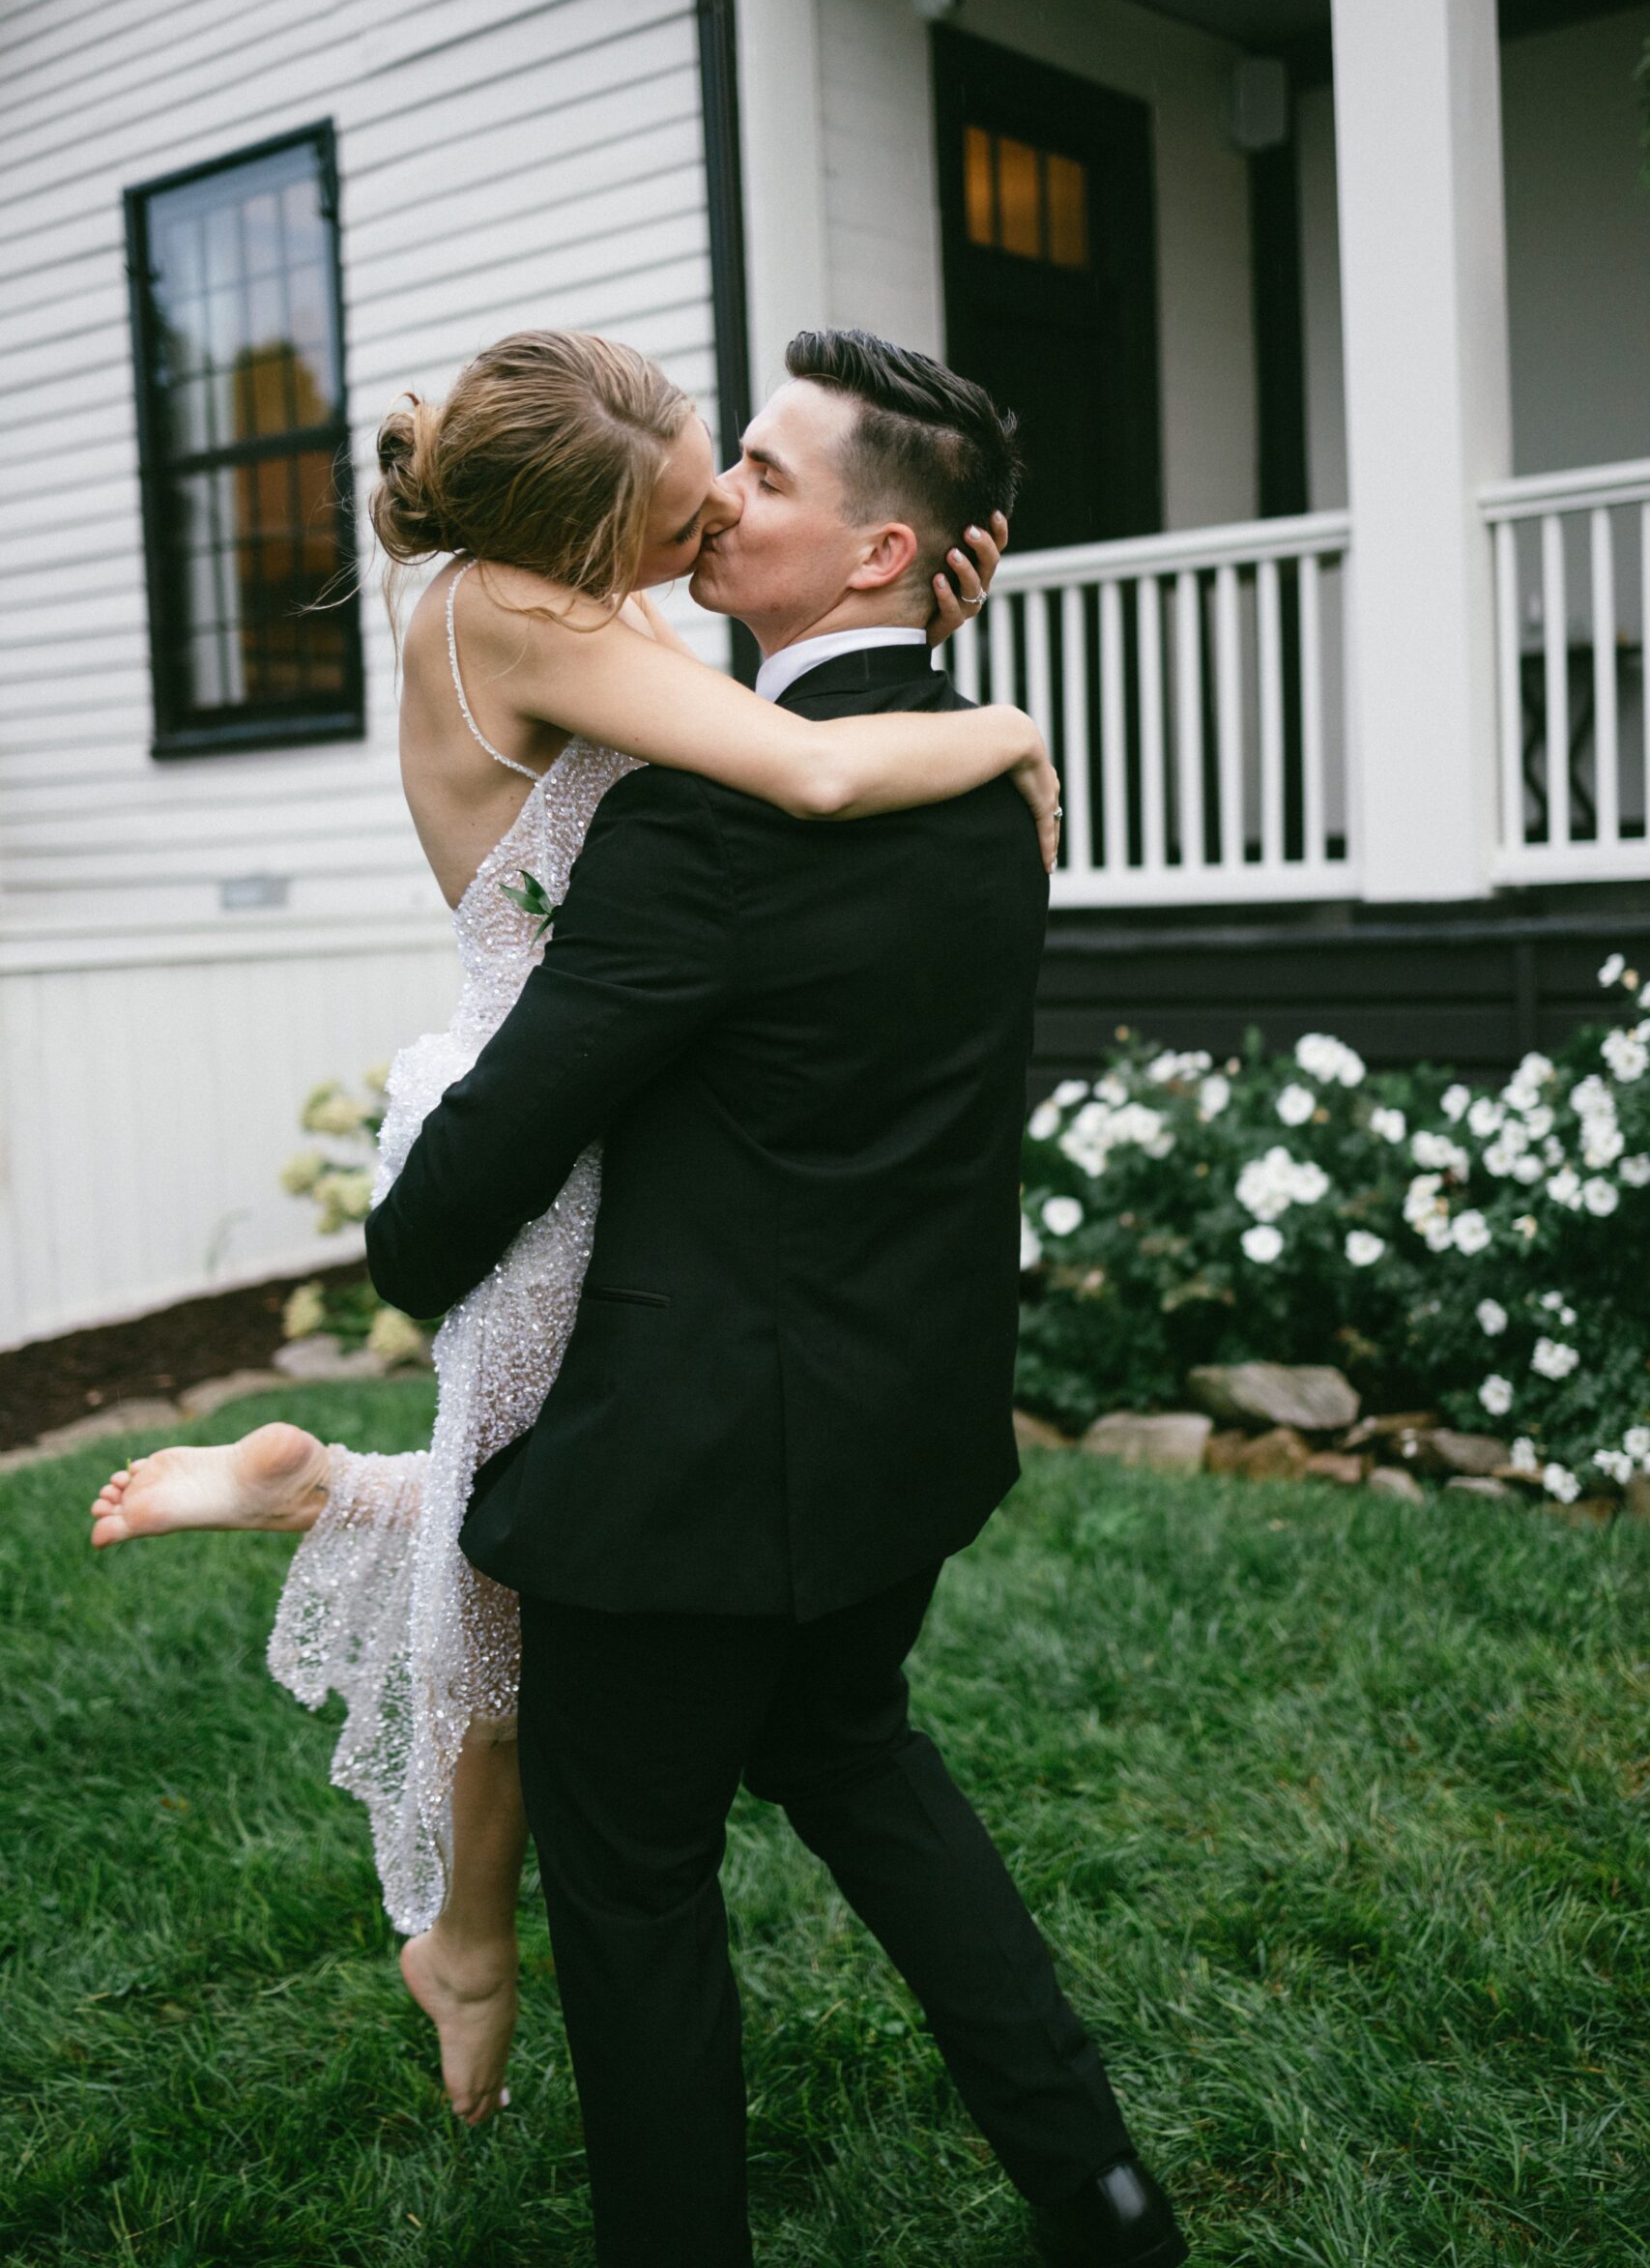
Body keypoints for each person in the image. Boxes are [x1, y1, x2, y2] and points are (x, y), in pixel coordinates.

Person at [87, 329, 1047, 2128]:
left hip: (604, 1120)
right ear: (605, 527)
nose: (718, 523)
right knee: (527, 1523)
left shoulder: (598, 625)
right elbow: (815, 774)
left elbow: (783, 731)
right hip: (532, 1113)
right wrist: (986, 715)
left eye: (745, 480)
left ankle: (334, 1533)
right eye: (708, 490)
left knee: (522, 1523)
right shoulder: (522, 624)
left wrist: (916, 639)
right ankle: (457, 1908)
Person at [365, 329, 1187, 2267]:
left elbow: (470, 1191)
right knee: (855, 1757)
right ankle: (1105, 2193)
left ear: (883, 554)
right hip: (903, 1439)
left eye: (760, 469)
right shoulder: (993, 792)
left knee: (637, 1896)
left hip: (677, 1489)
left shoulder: (700, 826)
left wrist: (414, 1227)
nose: (715, 494)